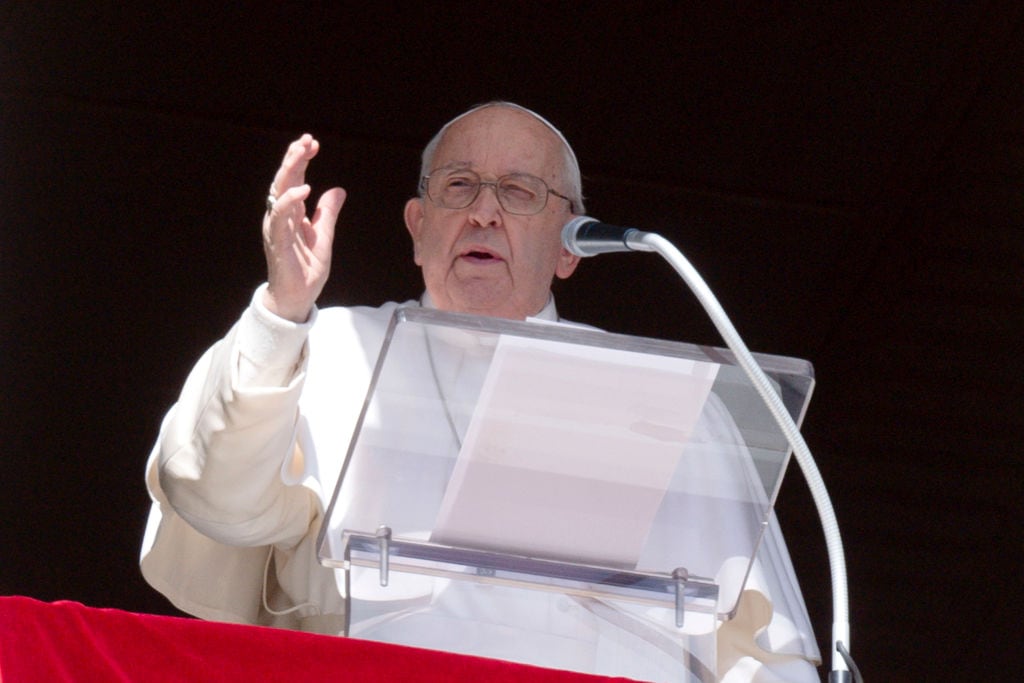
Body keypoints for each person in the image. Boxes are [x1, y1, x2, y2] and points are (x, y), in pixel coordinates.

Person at [141, 102, 820, 681]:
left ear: (570, 247)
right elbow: (208, 493)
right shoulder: (330, 350)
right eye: (459, 187)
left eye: (520, 192)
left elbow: (767, 653)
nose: (485, 213)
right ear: (417, 227)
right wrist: (282, 312)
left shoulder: (670, 403)